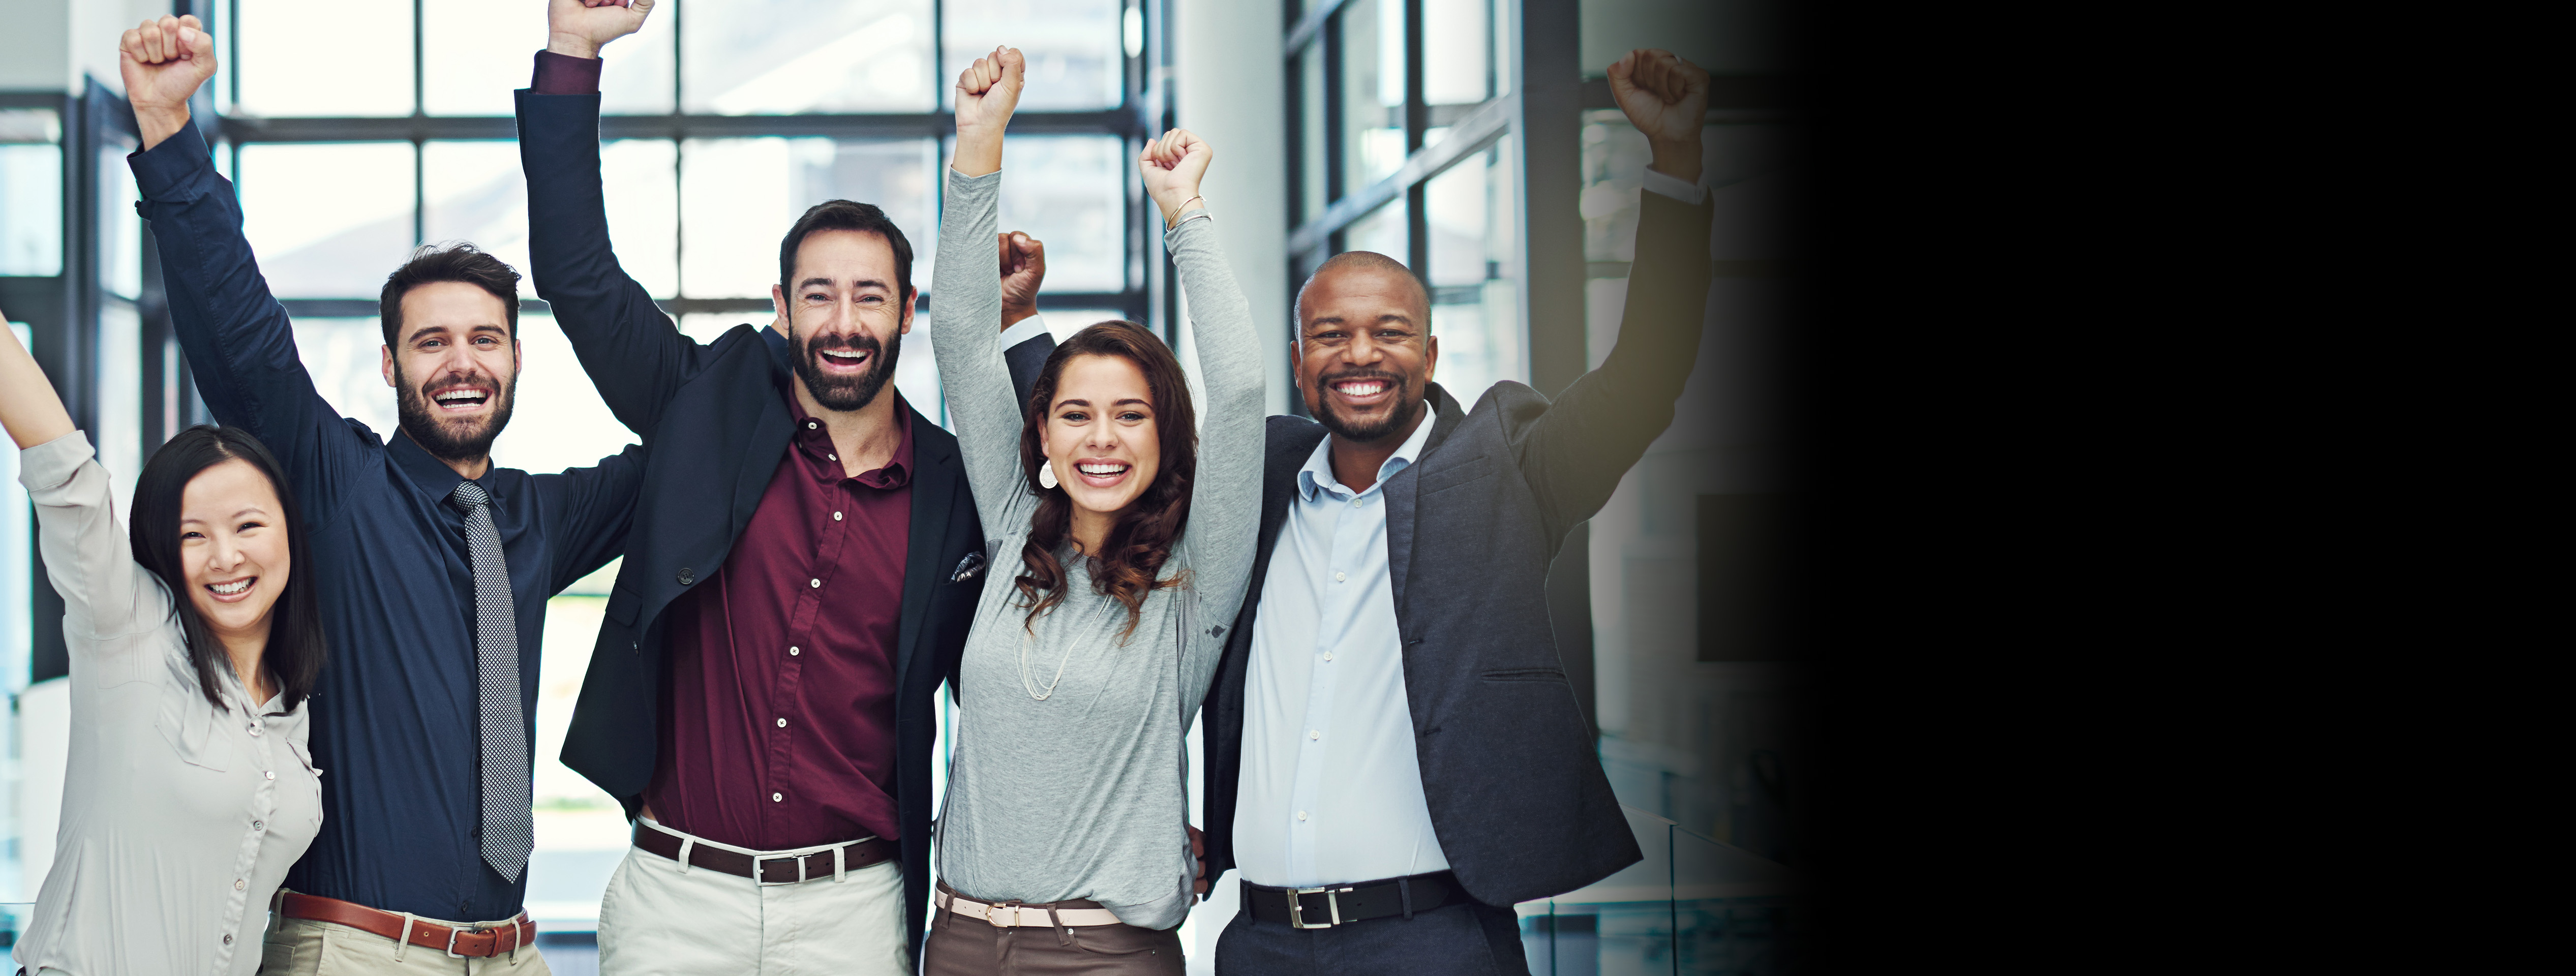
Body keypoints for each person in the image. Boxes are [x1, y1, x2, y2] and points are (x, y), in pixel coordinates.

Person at [518, 4, 1055, 972]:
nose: (843, 322)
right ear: (780, 307)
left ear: (907, 311)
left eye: (870, 297)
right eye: (819, 295)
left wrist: (1015, 324)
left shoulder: (950, 488)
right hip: (676, 900)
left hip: (853, 910)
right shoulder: (702, 412)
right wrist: (573, 54)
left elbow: (1058, 513)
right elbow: (578, 276)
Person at [117, 16, 646, 974]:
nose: (461, 364)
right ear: (393, 366)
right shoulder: (339, 485)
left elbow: (699, 439)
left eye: (484, 339)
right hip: (360, 950)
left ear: (518, 360)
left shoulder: (539, 519)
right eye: (431, 342)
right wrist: (167, 133)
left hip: (511, 954)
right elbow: (243, 336)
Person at [1196, 49, 1719, 974]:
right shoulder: (1260, 480)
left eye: (1390, 332)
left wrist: (1675, 168)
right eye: (1332, 334)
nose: (1361, 353)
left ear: (1430, 355)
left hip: (1433, 942)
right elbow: (1105, 460)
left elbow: (1644, 380)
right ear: (1297, 357)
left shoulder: (1506, 476)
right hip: (1258, 943)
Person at [912, 48, 1265, 976]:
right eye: (1076, 414)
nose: (1101, 439)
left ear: (1163, 439)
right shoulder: (1010, 534)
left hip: (1107, 955)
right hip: (958, 940)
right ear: (1043, 439)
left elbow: (1237, 390)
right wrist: (979, 144)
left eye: (1130, 415)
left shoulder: (1195, 576)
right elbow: (958, 332)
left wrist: (1185, 214)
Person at [1, 320, 324, 976]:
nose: (226, 556)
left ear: (289, 530)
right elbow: (66, 474)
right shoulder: (127, 630)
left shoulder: (292, 708)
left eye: (248, 526)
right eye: (193, 535)